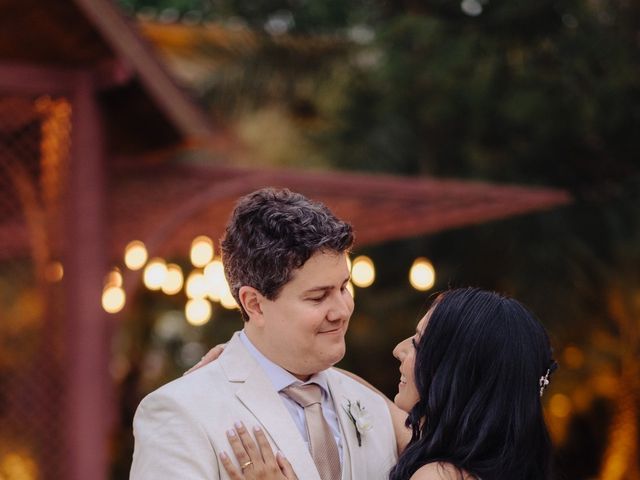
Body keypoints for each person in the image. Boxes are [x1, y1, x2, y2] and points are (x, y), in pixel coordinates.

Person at [130, 188, 399, 480]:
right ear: (254, 304)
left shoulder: (372, 407)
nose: (342, 310)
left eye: (344, 288)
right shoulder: (181, 411)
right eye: (318, 297)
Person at [211, 287, 557, 480]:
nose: (399, 350)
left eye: (418, 344)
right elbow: (360, 395)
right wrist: (249, 357)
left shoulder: (440, 478)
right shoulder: (484, 459)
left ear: (455, 371)